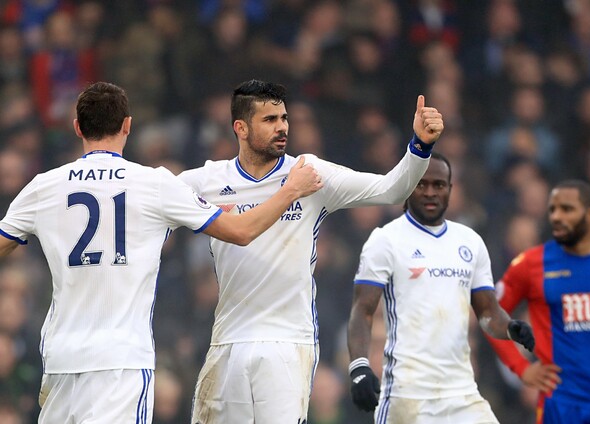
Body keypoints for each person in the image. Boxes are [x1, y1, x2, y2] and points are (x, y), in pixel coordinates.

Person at [0, 81, 323, 423]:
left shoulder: (44, 186)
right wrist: (290, 191)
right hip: (122, 363)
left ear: (78, 127)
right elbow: (241, 232)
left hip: (61, 359)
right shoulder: (154, 184)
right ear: (127, 125)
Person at [178, 79, 444, 424]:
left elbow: (392, 189)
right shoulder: (207, 181)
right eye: (269, 120)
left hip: (287, 340)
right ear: (240, 128)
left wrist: (420, 145)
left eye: (284, 118)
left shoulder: (310, 174)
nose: (282, 127)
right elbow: (150, 200)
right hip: (228, 338)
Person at [346, 152, 535, 423]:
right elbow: (362, 310)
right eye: (421, 184)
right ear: (409, 187)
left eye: (439, 185)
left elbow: (487, 313)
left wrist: (510, 328)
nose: (430, 192)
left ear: (450, 189)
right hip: (407, 395)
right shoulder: (385, 240)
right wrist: (359, 366)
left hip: (462, 392)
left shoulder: (470, 242)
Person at [488, 179, 590, 423]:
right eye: (553, 209)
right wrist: (522, 368)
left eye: (567, 209)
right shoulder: (531, 264)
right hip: (558, 407)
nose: (557, 217)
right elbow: (490, 315)